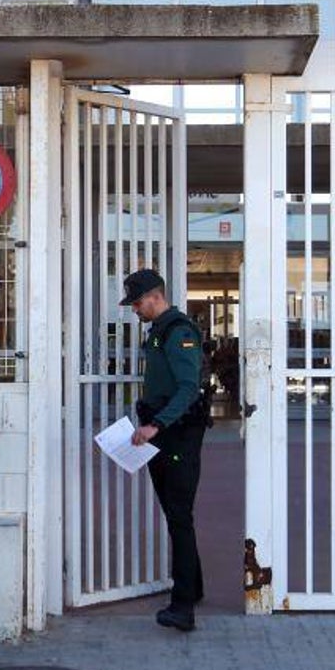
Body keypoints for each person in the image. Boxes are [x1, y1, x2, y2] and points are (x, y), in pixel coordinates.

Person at [123, 268, 207, 632]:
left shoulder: (178, 332)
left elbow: (189, 388)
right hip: (166, 435)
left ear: (156, 297)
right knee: (177, 514)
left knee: (179, 517)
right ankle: (194, 587)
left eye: (138, 303)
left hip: (177, 436)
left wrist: (156, 425)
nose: (135, 310)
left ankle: (183, 606)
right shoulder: (159, 332)